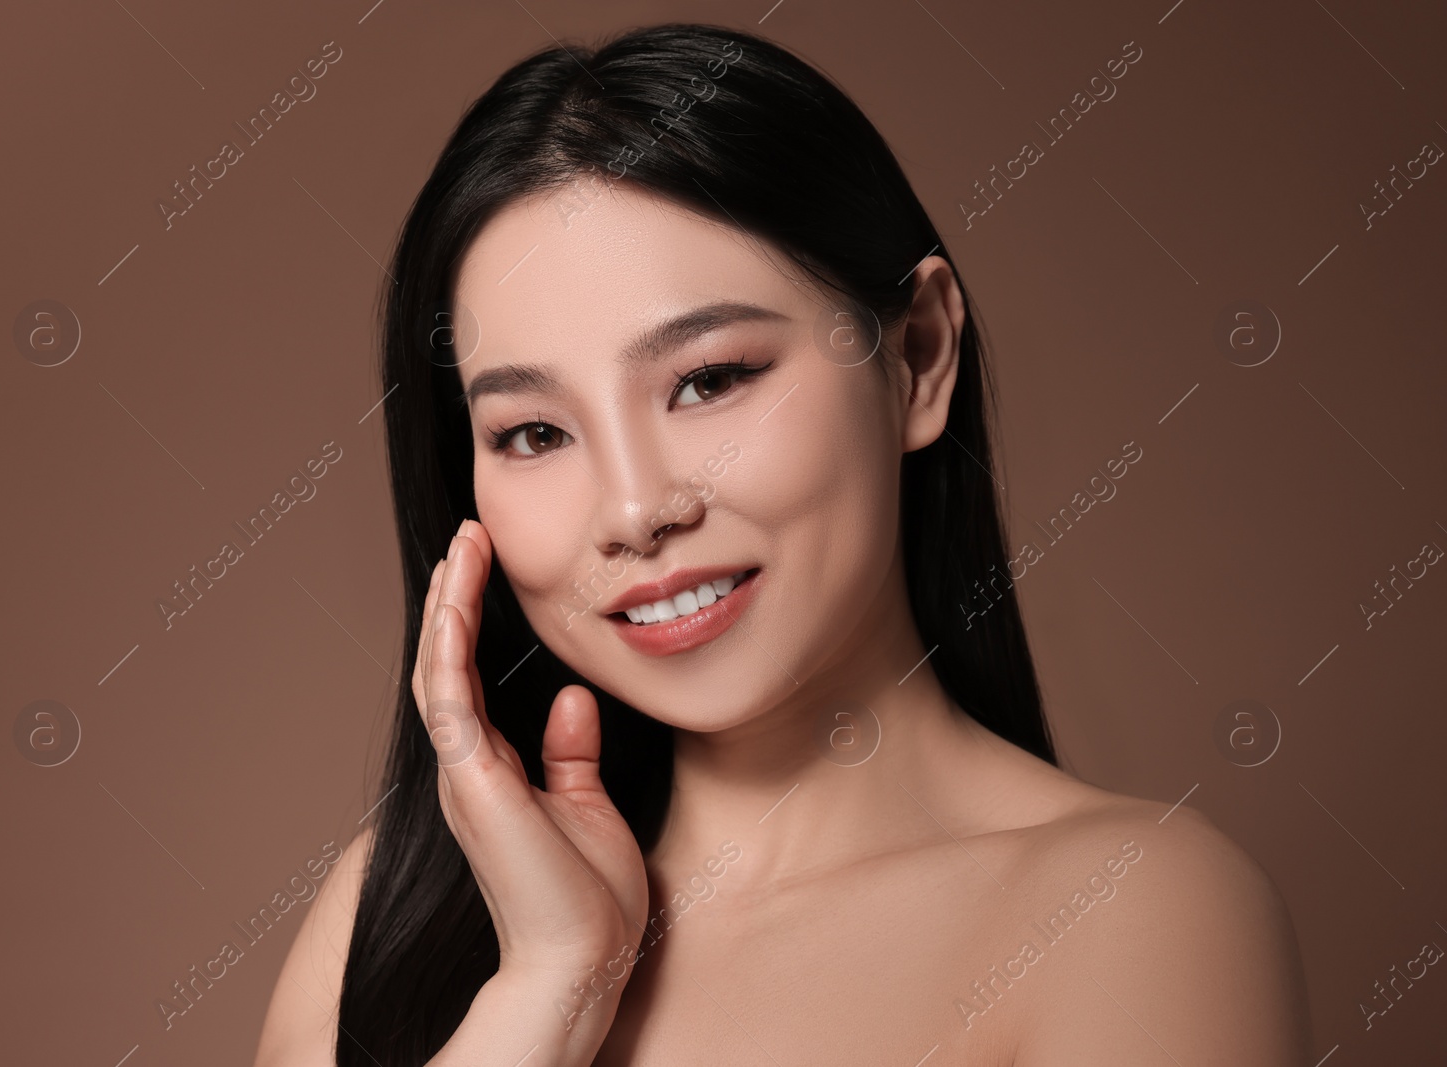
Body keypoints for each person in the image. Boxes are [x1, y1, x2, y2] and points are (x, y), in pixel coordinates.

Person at [253, 22, 1312, 1067]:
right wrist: (548, 986)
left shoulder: (1131, 912)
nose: (636, 508)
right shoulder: (393, 913)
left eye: (709, 379)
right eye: (534, 432)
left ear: (918, 355)